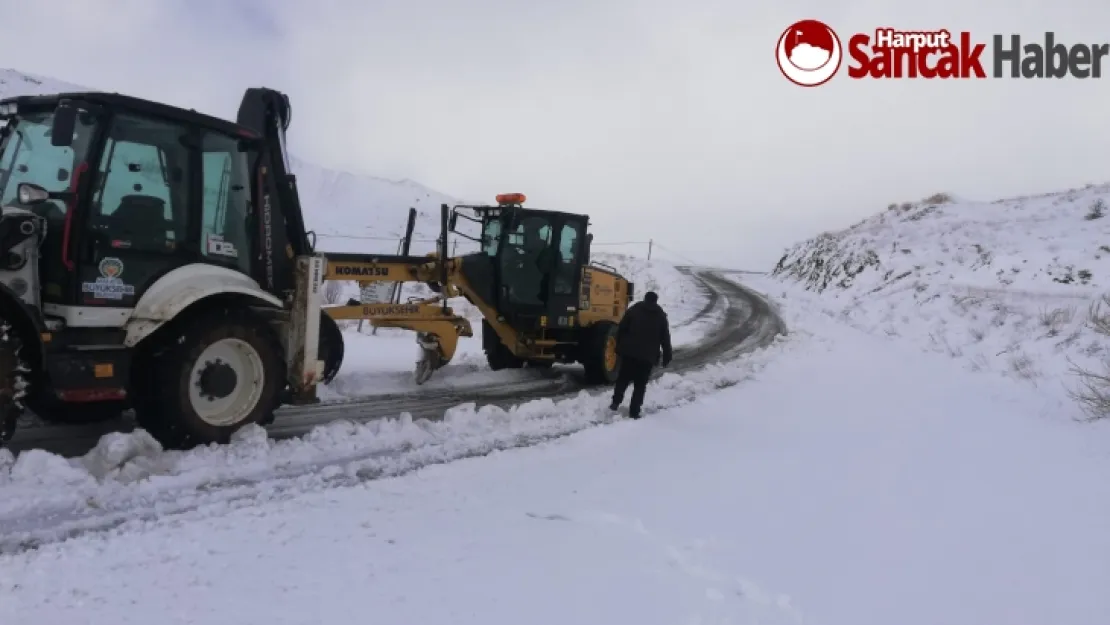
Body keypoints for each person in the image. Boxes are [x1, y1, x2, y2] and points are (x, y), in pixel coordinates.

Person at [609, 290, 672, 419]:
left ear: (645, 299)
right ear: (655, 301)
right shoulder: (661, 316)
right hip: (647, 357)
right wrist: (667, 356)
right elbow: (665, 338)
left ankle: (615, 403)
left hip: (629, 354)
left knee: (623, 379)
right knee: (640, 385)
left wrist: (619, 347)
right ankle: (634, 411)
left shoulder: (634, 310)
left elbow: (621, 329)